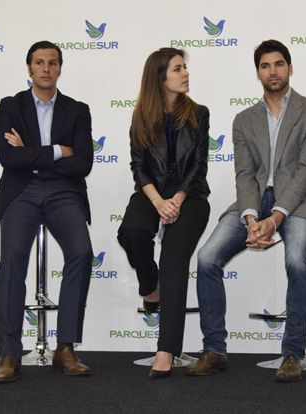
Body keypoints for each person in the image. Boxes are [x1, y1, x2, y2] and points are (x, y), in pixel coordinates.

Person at [186, 39, 306, 382]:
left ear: (290, 68)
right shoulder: (243, 120)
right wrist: (252, 218)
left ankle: (293, 354)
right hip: (253, 200)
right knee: (207, 258)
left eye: (279, 64)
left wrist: (275, 217)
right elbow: (244, 174)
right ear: (258, 73)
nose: (273, 71)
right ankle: (215, 350)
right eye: (265, 66)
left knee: (296, 260)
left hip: (300, 200)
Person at [0, 41, 94, 383]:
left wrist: (33, 154)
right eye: (39, 62)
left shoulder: (78, 110)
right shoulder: (10, 105)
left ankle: (65, 348)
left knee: (81, 251)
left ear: (60, 68)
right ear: (29, 68)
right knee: (11, 262)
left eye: (52, 62)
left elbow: (83, 163)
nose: (46, 68)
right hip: (21, 191)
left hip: (64, 192)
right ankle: (9, 352)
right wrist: (56, 151)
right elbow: (9, 158)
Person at [117, 48, 210, 379]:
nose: (185, 73)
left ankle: (166, 349)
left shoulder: (199, 113)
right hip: (152, 192)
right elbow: (138, 167)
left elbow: (198, 166)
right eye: (177, 69)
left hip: (192, 196)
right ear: (160, 76)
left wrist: (178, 199)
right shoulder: (141, 116)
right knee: (131, 231)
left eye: (185, 68)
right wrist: (158, 202)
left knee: (173, 259)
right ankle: (149, 283)